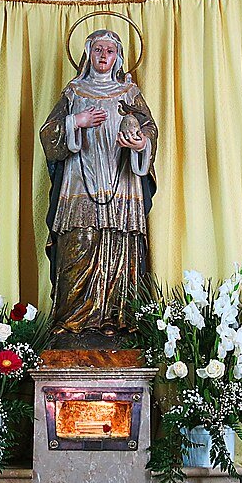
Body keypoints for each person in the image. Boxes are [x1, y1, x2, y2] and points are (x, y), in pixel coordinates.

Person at [40, 29, 157, 337]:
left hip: (122, 183)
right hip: (80, 180)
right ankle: (71, 321)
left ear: (117, 57)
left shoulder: (129, 92)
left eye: (110, 50)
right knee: (77, 247)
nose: (104, 56)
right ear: (88, 55)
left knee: (121, 248)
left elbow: (149, 130)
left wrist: (139, 142)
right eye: (98, 50)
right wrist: (74, 122)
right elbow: (48, 132)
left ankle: (118, 323)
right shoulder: (74, 91)